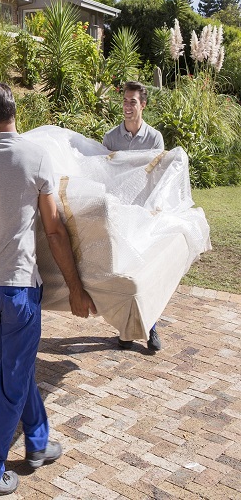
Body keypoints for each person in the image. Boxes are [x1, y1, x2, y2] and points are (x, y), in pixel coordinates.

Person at [0, 83, 97, 499]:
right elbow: (54, 230)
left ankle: (37, 443)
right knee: (13, 379)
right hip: (19, 287)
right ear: (15, 114)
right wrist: (76, 288)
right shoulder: (36, 157)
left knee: (15, 370)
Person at [102, 81, 164, 352]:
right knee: (124, 273)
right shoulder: (110, 139)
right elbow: (104, 175)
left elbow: (157, 179)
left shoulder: (154, 139)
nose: (127, 107)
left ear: (143, 105)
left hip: (143, 213)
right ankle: (126, 330)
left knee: (145, 271)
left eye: (133, 102)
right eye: (125, 101)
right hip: (118, 214)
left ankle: (151, 327)